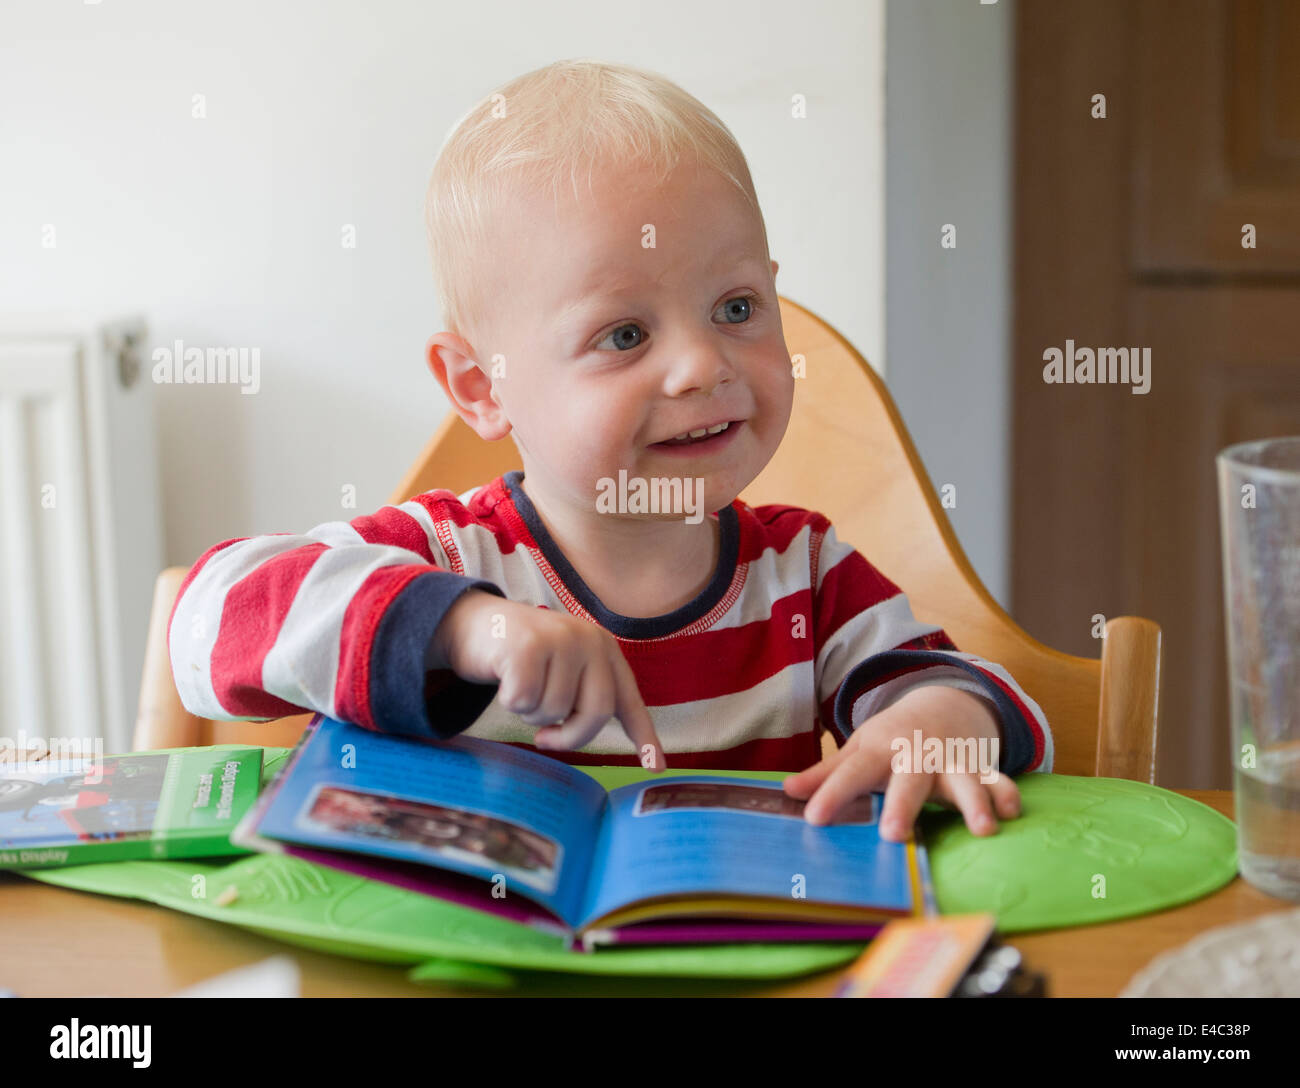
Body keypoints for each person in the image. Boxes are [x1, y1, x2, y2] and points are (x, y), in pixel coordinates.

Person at [169, 59, 1052, 844]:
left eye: (737, 308)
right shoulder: (440, 558)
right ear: (483, 387)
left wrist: (933, 719)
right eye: (625, 333)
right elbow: (205, 622)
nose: (703, 363)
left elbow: (972, 692)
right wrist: (466, 628)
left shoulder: (806, 575)